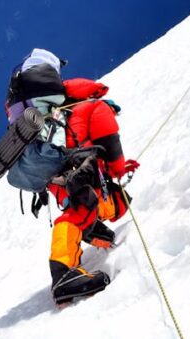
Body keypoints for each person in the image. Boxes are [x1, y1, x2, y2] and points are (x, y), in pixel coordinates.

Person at [47, 76, 139, 304]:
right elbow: (110, 143)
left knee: (82, 209)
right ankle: (63, 274)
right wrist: (119, 169)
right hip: (82, 172)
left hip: (61, 180)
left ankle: (92, 229)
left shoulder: (60, 116)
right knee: (109, 204)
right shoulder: (95, 107)